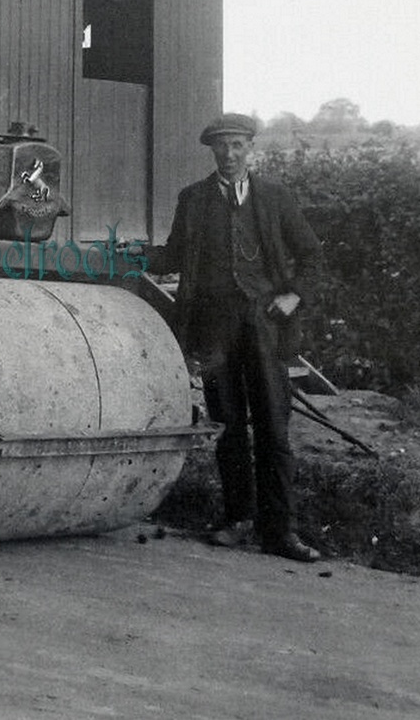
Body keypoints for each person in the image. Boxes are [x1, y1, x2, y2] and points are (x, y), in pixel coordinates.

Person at [147, 112, 324, 562]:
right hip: (213, 328)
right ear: (212, 150)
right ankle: (238, 520)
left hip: (265, 324)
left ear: (250, 149)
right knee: (227, 425)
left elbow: (311, 255)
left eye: (237, 145)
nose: (229, 154)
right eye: (221, 146)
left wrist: (293, 297)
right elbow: (173, 255)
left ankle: (280, 532)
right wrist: (132, 255)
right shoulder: (193, 199)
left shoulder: (275, 197)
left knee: (273, 426)